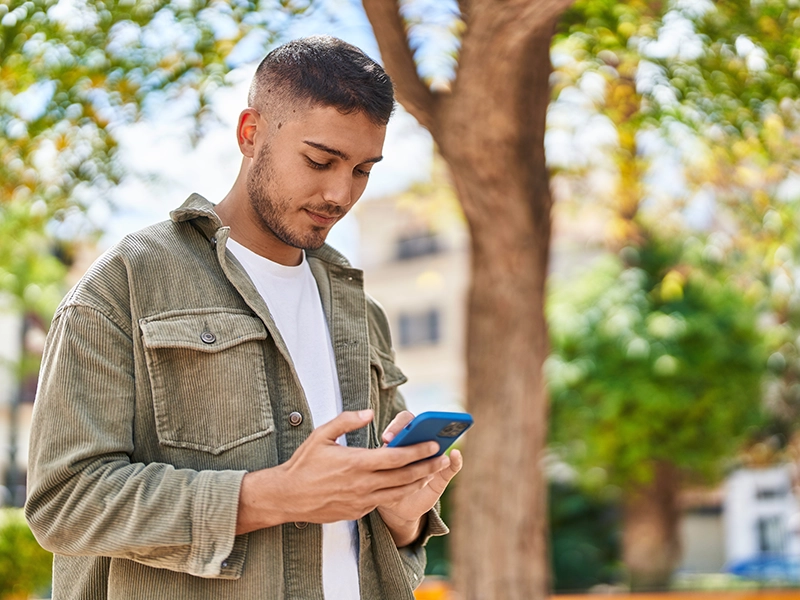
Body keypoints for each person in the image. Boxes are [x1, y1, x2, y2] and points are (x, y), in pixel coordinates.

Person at [25, 35, 462, 600]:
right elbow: (65, 504)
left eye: (362, 170)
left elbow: (372, 537)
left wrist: (401, 512)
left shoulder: (359, 310)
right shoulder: (127, 283)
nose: (339, 192)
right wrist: (273, 494)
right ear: (250, 133)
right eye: (320, 159)